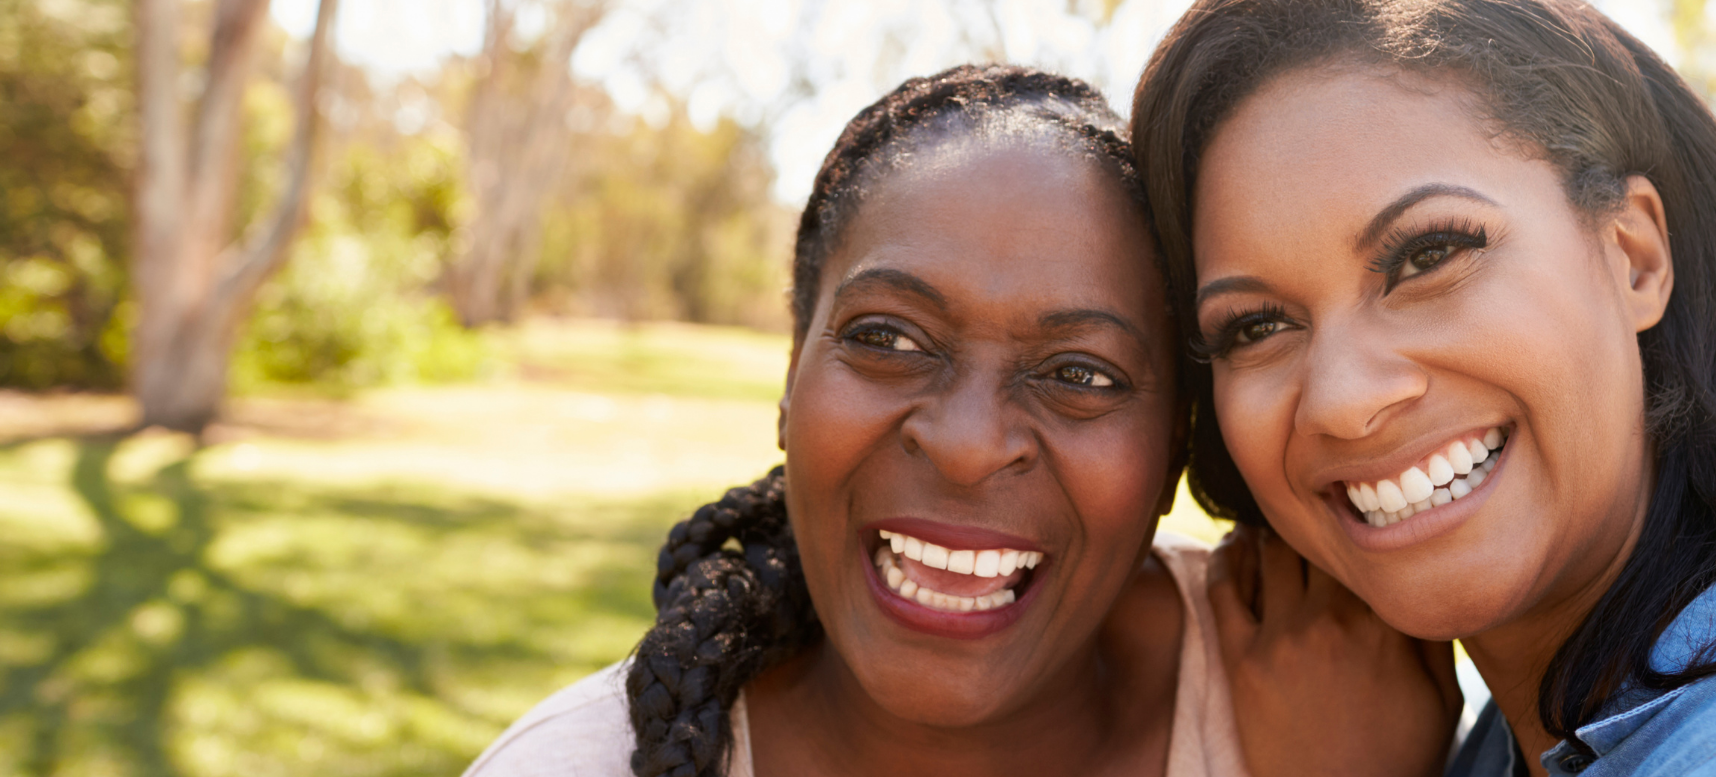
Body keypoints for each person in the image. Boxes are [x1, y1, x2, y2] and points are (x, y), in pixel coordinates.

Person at [1130, 0, 1716, 775]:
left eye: (1428, 255)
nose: (1342, 399)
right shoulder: (1526, 729)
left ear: (1633, 256)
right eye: (1256, 326)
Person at [464, 64, 1307, 777]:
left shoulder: (1318, 687)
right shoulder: (570, 763)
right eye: (888, 338)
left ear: (1172, 449)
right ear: (794, 372)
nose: (967, 445)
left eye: (1080, 374)